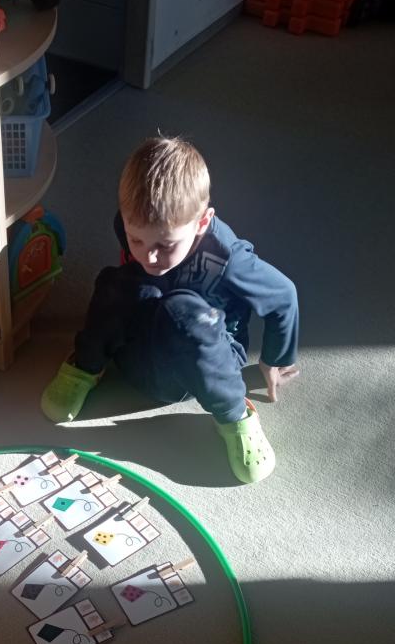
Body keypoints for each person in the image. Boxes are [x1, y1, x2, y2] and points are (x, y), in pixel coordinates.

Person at [40, 136, 300, 483]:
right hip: (139, 353)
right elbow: (133, 276)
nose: (149, 255)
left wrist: (274, 359)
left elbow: (284, 295)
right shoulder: (132, 224)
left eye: (165, 245)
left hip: (202, 364)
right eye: (136, 240)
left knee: (184, 312)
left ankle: (236, 416)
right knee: (119, 283)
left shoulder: (228, 258)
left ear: (202, 223)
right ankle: (85, 367)